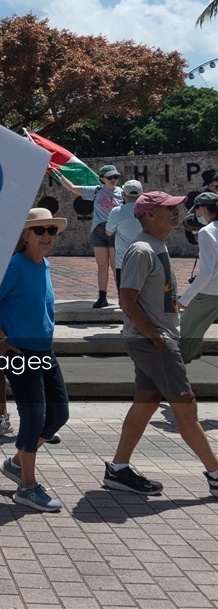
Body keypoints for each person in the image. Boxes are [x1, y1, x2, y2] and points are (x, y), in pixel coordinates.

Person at [106, 191, 218, 497]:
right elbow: (126, 299)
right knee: (186, 405)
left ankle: (118, 469)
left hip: (154, 339)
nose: (177, 210)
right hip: (153, 341)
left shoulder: (157, 246)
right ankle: (216, 472)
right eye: (169, 207)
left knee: (146, 402)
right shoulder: (142, 250)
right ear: (149, 215)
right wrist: (157, 337)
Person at [0, 208, 70, 512]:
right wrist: (0, 338)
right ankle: (27, 486)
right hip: (20, 352)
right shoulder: (16, 266)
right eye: (39, 230)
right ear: (26, 235)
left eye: (51, 230)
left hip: (44, 351)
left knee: (58, 414)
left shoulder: (44, 264)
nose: (47, 235)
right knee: (33, 418)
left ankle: (17, 463)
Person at [58, 164, 124, 308]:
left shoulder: (122, 192)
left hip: (115, 230)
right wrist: (58, 175)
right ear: (102, 179)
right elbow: (72, 188)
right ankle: (102, 296)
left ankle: (122, 297)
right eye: (110, 177)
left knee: (115, 266)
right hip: (99, 230)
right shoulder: (96, 191)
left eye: (116, 177)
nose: (114, 180)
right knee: (102, 266)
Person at [178, 192, 218, 364]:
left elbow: (207, 271)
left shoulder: (206, 232)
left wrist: (185, 299)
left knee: (187, 328)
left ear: (202, 208)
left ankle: (180, 366)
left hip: (211, 290)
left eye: (198, 210)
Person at [105, 179, 144, 290]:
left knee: (125, 296)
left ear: (123, 194)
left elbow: (108, 232)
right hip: (145, 258)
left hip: (123, 261)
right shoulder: (148, 210)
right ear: (141, 194)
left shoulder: (117, 211)